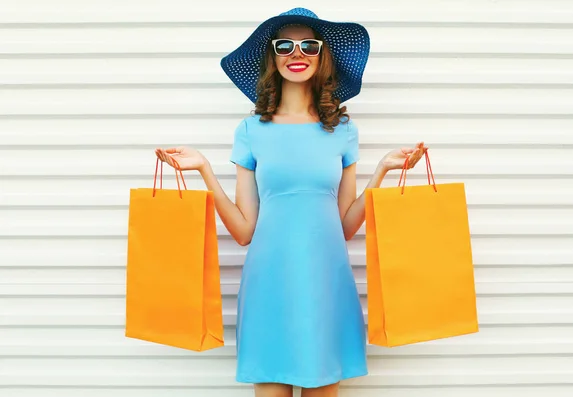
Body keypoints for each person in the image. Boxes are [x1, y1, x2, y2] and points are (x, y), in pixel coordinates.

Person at [155, 7, 426, 397]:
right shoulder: (250, 130)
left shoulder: (343, 132)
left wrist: (382, 170)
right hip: (270, 281)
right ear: (273, 57)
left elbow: (345, 226)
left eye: (309, 46)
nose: (296, 53)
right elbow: (245, 231)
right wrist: (204, 171)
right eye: (285, 45)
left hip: (325, 281)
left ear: (322, 57)